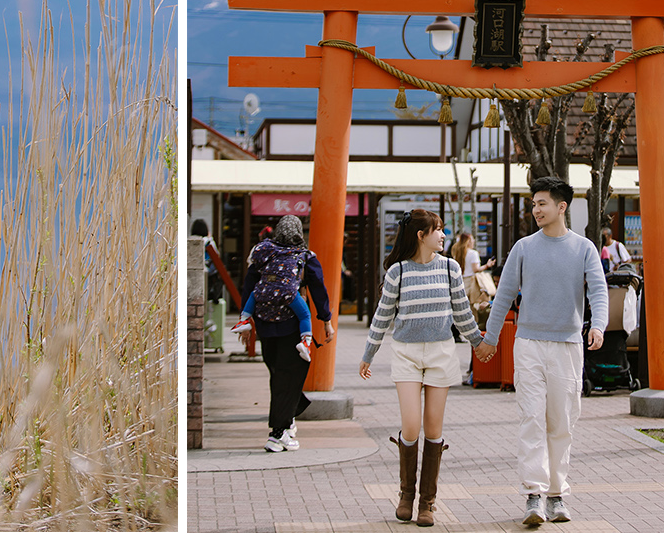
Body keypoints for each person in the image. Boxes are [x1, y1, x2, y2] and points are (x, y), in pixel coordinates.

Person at [474, 177, 606, 527]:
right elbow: (503, 296)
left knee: (562, 421)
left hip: (567, 345)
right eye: (534, 204)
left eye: (542, 204)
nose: (536, 210)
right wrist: (489, 338)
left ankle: (556, 494)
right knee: (531, 417)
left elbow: (598, 290)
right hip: (528, 344)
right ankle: (534, 494)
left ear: (561, 207)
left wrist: (598, 326)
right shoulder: (523, 248)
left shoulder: (584, 249)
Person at [360, 208, 483, 527]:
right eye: (438, 230)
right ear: (421, 235)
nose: (443, 235)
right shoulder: (397, 272)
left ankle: (427, 503)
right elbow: (382, 316)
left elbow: (462, 312)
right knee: (411, 426)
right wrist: (368, 354)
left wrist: (478, 343)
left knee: (433, 429)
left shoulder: (450, 268)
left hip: (441, 352)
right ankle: (405, 495)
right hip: (406, 354)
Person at [237, 215, 334, 453]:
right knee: (289, 377)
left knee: (279, 376)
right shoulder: (305, 257)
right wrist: (326, 321)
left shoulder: (263, 254)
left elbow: (249, 285)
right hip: (294, 328)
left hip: (265, 325)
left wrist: (245, 317)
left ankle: (288, 421)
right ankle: (277, 433)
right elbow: (319, 288)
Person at [230, 226, 316, 363]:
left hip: (264, 289)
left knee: (254, 293)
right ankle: (306, 342)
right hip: (288, 292)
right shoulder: (298, 251)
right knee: (305, 315)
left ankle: (243, 320)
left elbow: (250, 281)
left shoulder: (260, 251)